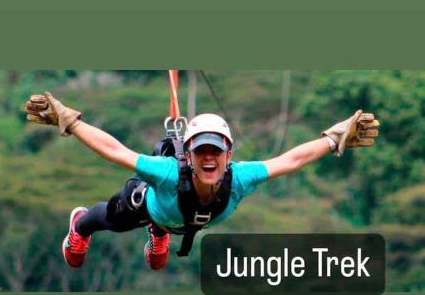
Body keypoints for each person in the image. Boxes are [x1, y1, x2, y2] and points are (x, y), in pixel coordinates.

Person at [24, 92, 379, 271]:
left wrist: (334, 138)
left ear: (229, 155)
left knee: (164, 234)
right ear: (188, 157)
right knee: (110, 217)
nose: (209, 158)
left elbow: (290, 160)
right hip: (153, 204)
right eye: (200, 152)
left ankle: (160, 233)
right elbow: (115, 151)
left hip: (175, 219)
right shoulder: (166, 173)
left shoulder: (240, 178)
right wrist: (69, 120)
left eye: (216, 151)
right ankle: (79, 227)